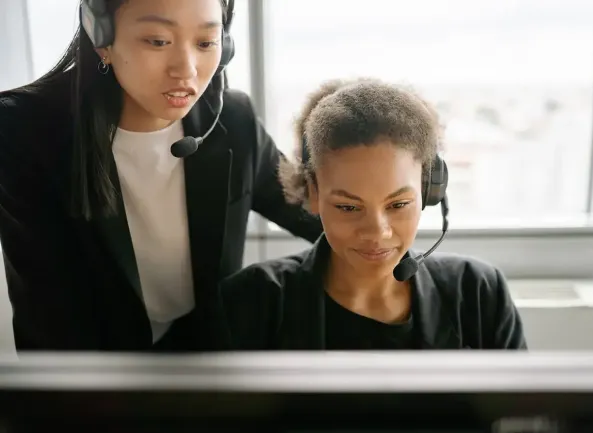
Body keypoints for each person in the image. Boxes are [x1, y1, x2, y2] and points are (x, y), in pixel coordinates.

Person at [0, 0, 322, 352]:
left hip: (204, 361)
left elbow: (321, 217)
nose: (186, 70)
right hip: (86, 375)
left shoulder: (232, 120)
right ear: (101, 36)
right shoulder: (23, 132)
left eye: (205, 43)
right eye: (157, 41)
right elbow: (50, 306)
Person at [205, 78, 527, 351]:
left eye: (398, 205)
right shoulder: (249, 304)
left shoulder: (479, 294)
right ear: (313, 193)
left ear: (429, 190)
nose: (377, 232)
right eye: (348, 207)